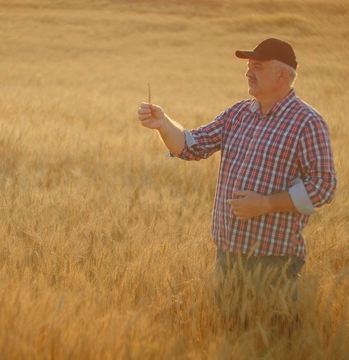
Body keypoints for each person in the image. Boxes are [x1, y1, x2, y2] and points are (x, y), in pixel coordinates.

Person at [137, 38, 337, 332]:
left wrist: (267, 203)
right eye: (247, 66)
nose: (248, 73)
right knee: (232, 337)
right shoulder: (238, 114)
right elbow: (192, 146)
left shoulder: (307, 122)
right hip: (228, 256)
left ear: (282, 75)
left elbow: (324, 186)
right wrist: (164, 124)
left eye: (257, 66)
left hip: (274, 261)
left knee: (276, 341)